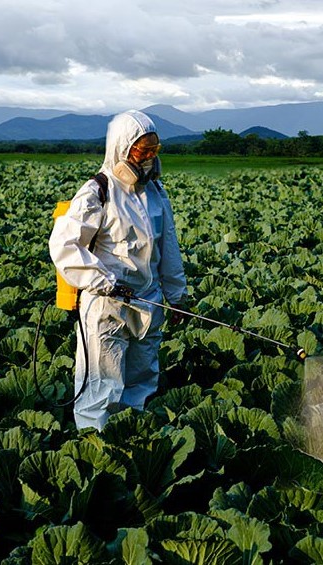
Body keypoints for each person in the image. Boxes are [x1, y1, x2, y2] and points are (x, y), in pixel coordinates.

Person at [49, 110, 188, 430]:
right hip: (106, 303)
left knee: (141, 381)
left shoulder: (156, 192)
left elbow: (168, 247)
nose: (150, 157)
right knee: (101, 386)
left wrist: (177, 296)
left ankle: (130, 441)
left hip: (147, 302)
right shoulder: (97, 191)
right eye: (144, 150)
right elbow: (65, 246)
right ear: (123, 149)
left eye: (155, 150)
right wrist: (103, 280)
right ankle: (94, 447)